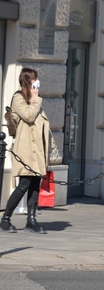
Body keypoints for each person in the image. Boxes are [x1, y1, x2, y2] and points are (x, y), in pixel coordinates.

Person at [0, 67, 51, 234]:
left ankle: (31, 220)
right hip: (26, 150)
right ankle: (5, 219)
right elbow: (28, 117)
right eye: (34, 80)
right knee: (24, 184)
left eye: (37, 80)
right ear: (27, 82)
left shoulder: (35, 101)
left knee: (35, 184)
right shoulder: (19, 98)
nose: (37, 84)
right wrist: (35, 99)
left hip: (38, 151)